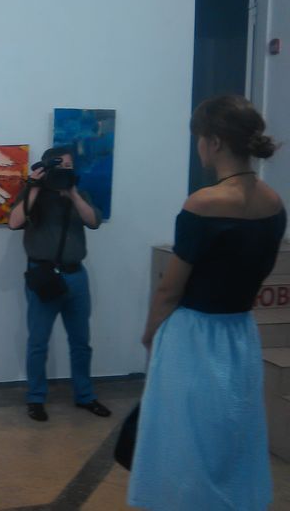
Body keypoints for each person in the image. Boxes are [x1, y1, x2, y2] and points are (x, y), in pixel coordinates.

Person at [128, 95, 286, 510]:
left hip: (194, 335)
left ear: (214, 141)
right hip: (240, 332)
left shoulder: (203, 204)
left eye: (199, 137)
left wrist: (150, 334)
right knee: (233, 435)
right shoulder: (273, 202)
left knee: (186, 439)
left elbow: (170, 289)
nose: (198, 145)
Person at [8, 146, 111, 422]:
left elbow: (94, 222)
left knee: (81, 343)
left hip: (76, 277)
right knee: (38, 342)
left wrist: (73, 194)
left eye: (69, 166)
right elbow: (14, 222)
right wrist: (33, 188)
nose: (65, 170)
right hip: (43, 276)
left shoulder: (80, 195)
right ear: (46, 167)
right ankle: (36, 398)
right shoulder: (33, 194)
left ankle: (85, 395)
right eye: (59, 166)